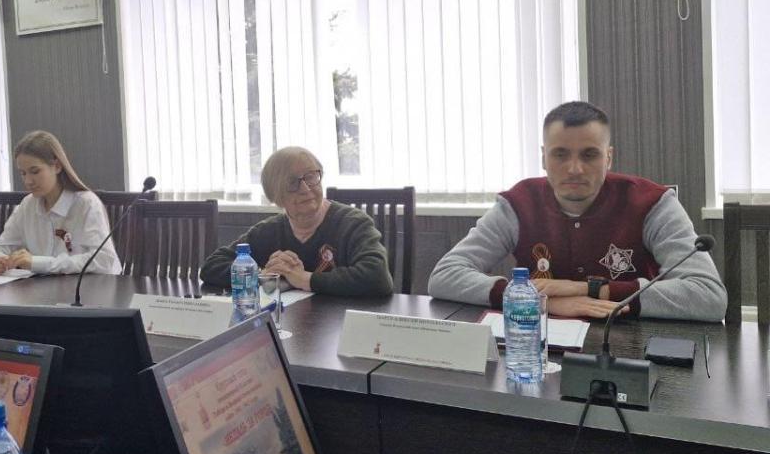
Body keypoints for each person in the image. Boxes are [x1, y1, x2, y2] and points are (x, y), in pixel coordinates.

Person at [428, 101, 727, 321]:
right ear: (544, 158)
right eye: (560, 154)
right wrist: (539, 301)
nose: (574, 168)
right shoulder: (518, 203)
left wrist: (592, 290)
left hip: (629, 342)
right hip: (538, 346)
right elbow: (445, 275)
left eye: (589, 155)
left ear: (608, 158)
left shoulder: (653, 203)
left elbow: (709, 296)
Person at [200, 147, 393, 296]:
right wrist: (262, 275)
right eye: (293, 182)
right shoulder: (268, 231)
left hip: (341, 327)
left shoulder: (353, 223)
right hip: (287, 325)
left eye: (311, 177)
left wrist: (303, 279)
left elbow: (377, 278)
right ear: (275, 195)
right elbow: (212, 267)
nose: (306, 189)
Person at [0, 131, 120, 275]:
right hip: (45, 287)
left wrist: (39, 263)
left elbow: (104, 260)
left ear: (57, 166)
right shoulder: (27, 205)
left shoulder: (86, 203)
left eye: (35, 171)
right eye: (23, 173)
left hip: (91, 286)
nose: (28, 181)